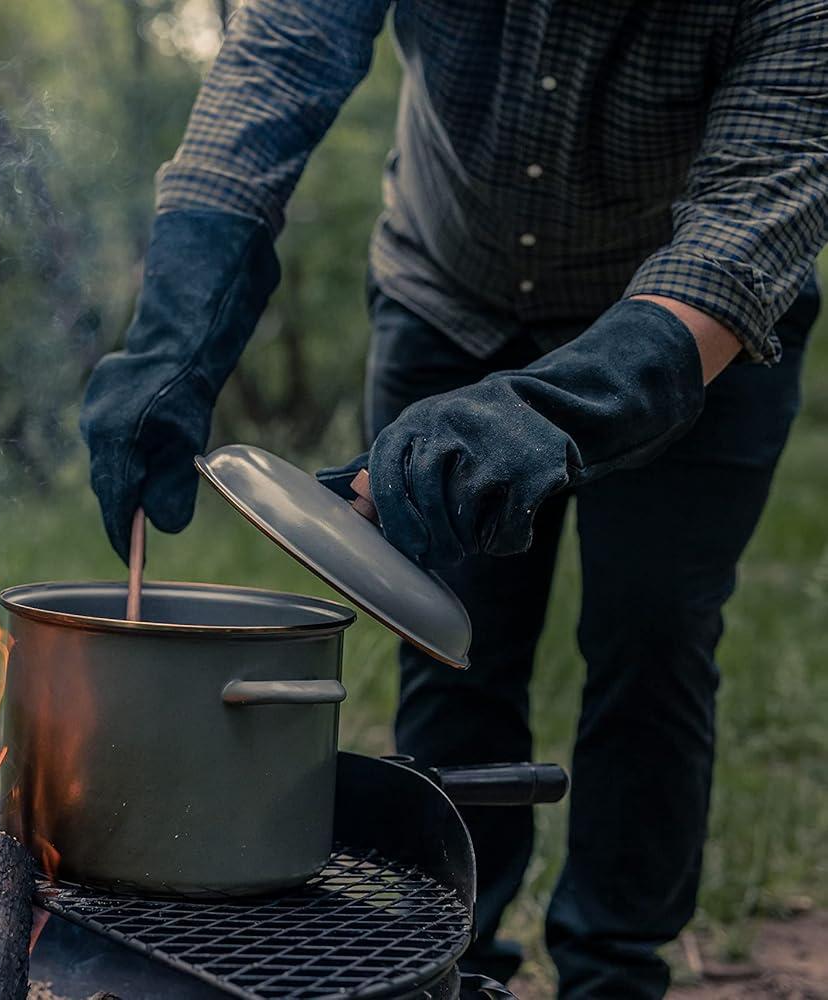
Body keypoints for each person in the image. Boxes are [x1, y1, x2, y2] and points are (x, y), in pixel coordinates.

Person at [78, 2, 828, 997]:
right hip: (448, 292)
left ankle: (614, 970)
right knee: (450, 649)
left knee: (654, 641)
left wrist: (545, 408)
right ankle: (449, 961)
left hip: (691, 334)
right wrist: (178, 326)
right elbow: (278, 62)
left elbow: (736, 246)